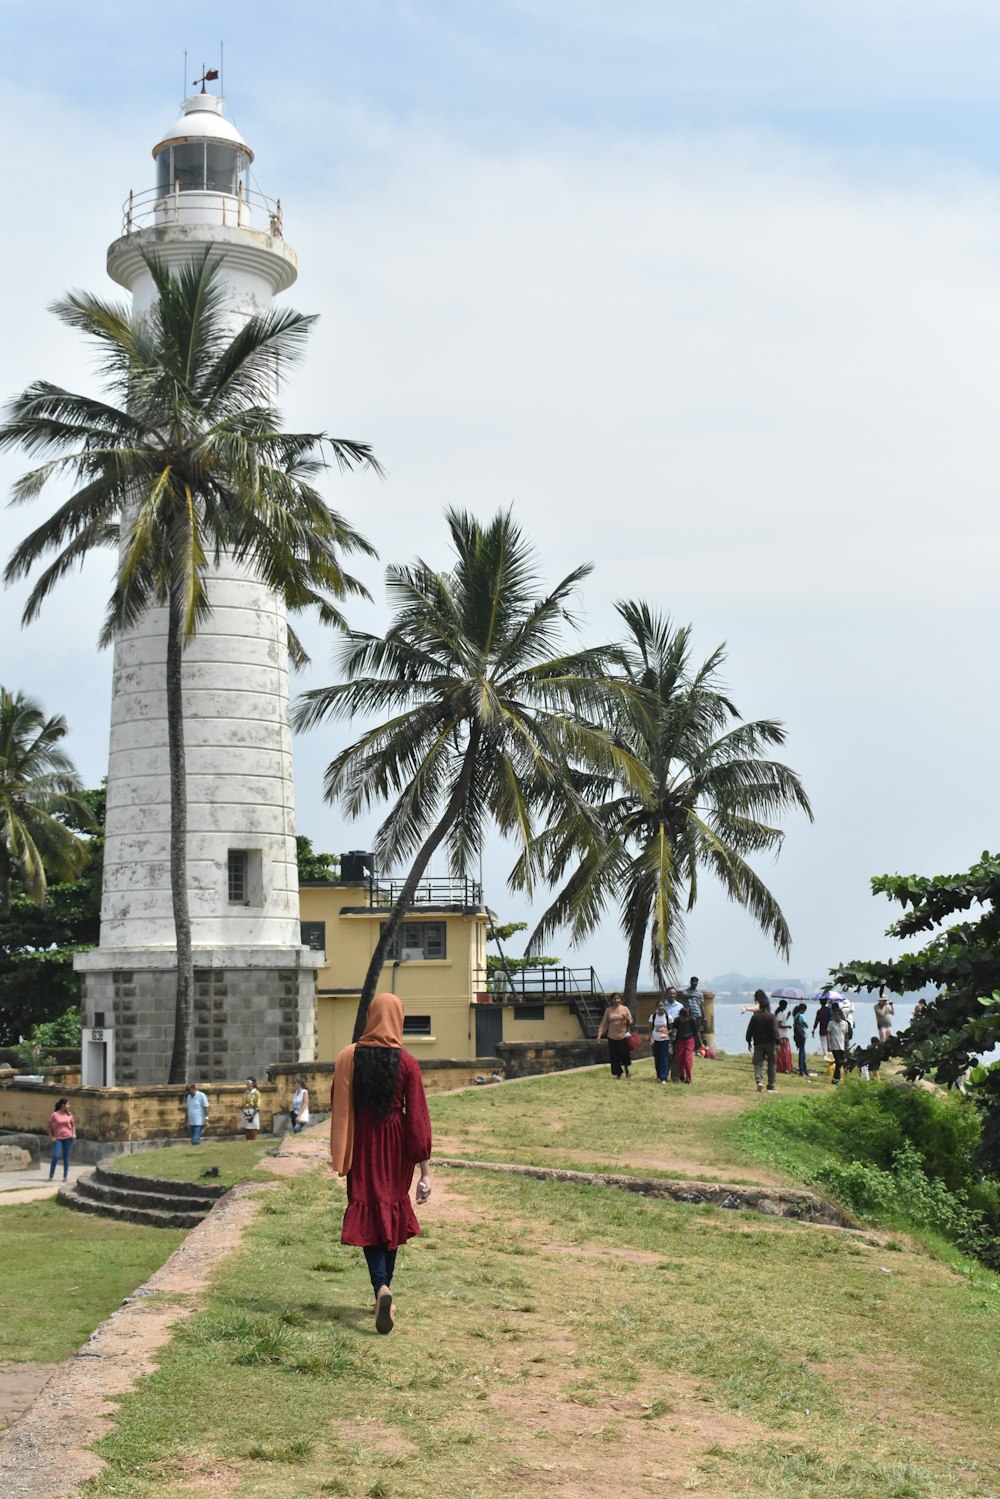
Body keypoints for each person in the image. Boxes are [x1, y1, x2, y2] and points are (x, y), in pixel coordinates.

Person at [329, 992, 432, 1335]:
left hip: (363, 1143)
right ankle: (385, 1287)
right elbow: (417, 1118)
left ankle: (380, 1288)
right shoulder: (407, 1064)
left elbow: (338, 1101)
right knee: (391, 1211)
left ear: (371, 1017)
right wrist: (425, 1172)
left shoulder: (351, 1057)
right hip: (396, 1143)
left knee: (370, 1210)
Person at [746, 992, 780, 1092]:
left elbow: (749, 1031)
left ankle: (759, 1081)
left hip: (758, 1044)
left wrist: (748, 1041)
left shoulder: (755, 1017)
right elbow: (775, 1031)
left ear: (759, 1006)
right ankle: (771, 1086)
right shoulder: (772, 1017)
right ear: (767, 1007)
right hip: (771, 1043)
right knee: (771, 1065)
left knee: (758, 1063)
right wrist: (777, 1043)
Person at [596, 993, 635, 1081]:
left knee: (624, 1055)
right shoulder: (608, 1010)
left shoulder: (625, 1009)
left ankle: (626, 1069)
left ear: (620, 1000)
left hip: (623, 1036)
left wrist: (627, 1019)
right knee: (614, 1056)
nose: (616, 1000)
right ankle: (618, 1073)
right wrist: (599, 1034)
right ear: (611, 1000)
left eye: (618, 999)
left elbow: (631, 1021)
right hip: (612, 1036)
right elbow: (604, 1023)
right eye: (614, 999)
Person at [670, 1005, 702, 1085]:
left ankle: (688, 1078)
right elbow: (674, 1030)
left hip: (689, 1040)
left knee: (687, 1060)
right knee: (680, 1059)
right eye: (683, 1017)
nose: (684, 1019)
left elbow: (696, 1032)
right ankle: (681, 1073)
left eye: (686, 1017)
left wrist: (700, 1044)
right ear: (680, 1016)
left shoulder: (692, 1020)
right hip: (680, 1041)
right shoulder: (677, 1020)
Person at [47, 1098, 75, 1181]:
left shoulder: (69, 1115)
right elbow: (48, 1126)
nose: (69, 1106)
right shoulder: (55, 1114)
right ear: (63, 1105)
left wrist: (73, 1134)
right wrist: (51, 1136)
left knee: (66, 1157)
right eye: (67, 1104)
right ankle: (51, 1176)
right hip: (58, 1138)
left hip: (68, 1138)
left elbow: (73, 1125)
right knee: (56, 1155)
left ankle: (65, 1177)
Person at [827, 1004, 849, 1083]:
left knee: (840, 1062)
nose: (834, 1017)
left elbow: (846, 1035)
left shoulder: (845, 1024)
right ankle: (836, 1078)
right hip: (834, 1045)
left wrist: (847, 1045)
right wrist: (829, 1045)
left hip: (842, 1046)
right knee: (838, 1062)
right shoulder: (831, 1023)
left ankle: (836, 1078)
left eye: (836, 1015)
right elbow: (828, 1034)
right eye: (834, 1015)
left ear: (840, 1015)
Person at [650, 999, 671, 1084]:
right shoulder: (653, 1016)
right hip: (656, 1040)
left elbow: (671, 1028)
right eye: (659, 1006)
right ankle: (658, 1075)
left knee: (664, 1058)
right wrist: (651, 1038)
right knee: (657, 1058)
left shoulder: (668, 1017)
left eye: (662, 1006)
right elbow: (650, 1029)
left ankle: (664, 1077)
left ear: (664, 1007)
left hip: (664, 1040)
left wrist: (667, 1032)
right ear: (656, 1007)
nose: (660, 1007)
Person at [774, 999, 795, 1074]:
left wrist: (788, 1016)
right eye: (785, 1006)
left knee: (782, 1052)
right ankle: (783, 1066)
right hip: (782, 1035)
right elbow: (779, 1024)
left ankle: (782, 1066)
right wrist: (787, 1026)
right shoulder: (780, 1014)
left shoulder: (781, 1014)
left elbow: (782, 1022)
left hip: (782, 1035)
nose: (786, 1007)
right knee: (784, 1052)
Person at [792, 1003, 812, 1078]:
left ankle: (803, 1070)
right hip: (802, 1035)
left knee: (802, 1051)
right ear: (803, 1009)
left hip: (797, 1036)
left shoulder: (795, 1015)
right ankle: (802, 1070)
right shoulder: (801, 1016)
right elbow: (806, 1025)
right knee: (802, 1053)